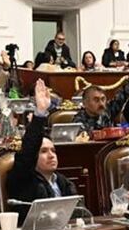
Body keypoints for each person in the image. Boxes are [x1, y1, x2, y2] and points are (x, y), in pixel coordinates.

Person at [5, 79, 76, 210]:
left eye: (53, 151)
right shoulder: (23, 179)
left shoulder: (64, 182)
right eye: (43, 151)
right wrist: (40, 113)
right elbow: (28, 150)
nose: (51, 156)